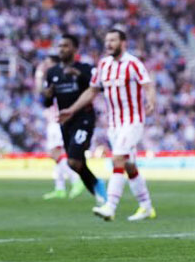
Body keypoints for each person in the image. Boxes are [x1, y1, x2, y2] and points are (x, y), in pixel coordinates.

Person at [60, 29, 157, 222]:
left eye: (113, 40)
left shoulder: (133, 63)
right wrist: (71, 109)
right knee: (129, 165)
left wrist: (151, 101)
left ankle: (110, 207)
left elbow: (148, 85)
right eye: (106, 41)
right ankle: (146, 207)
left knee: (118, 158)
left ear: (123, 43)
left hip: (133, 121)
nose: (108, 44)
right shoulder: (104, 65)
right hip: (114, 124)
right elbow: (92, 91)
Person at [42, 35, 108, 204]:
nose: (61, 49)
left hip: (83, 118)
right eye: (60, 46)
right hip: (65, 122)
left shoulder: (85, 68)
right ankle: (96, 184)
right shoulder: (52, 72)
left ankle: (98, 190)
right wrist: (47, 96)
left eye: (65, 46)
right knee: (74, 164)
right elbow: (48, 102)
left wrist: (78, 74)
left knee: (73, 159)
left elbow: (97, 88)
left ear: (75, 49)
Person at [35, 55, 85, 200]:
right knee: (56, 155)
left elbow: (41, 93)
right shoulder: (57, 79)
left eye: (48, 63)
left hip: (58, 120)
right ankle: (60, 188)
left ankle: (76, 180)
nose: (45, 65)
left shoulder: (57, 79)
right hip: (54, 120)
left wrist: (39, 76)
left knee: (55, 153)